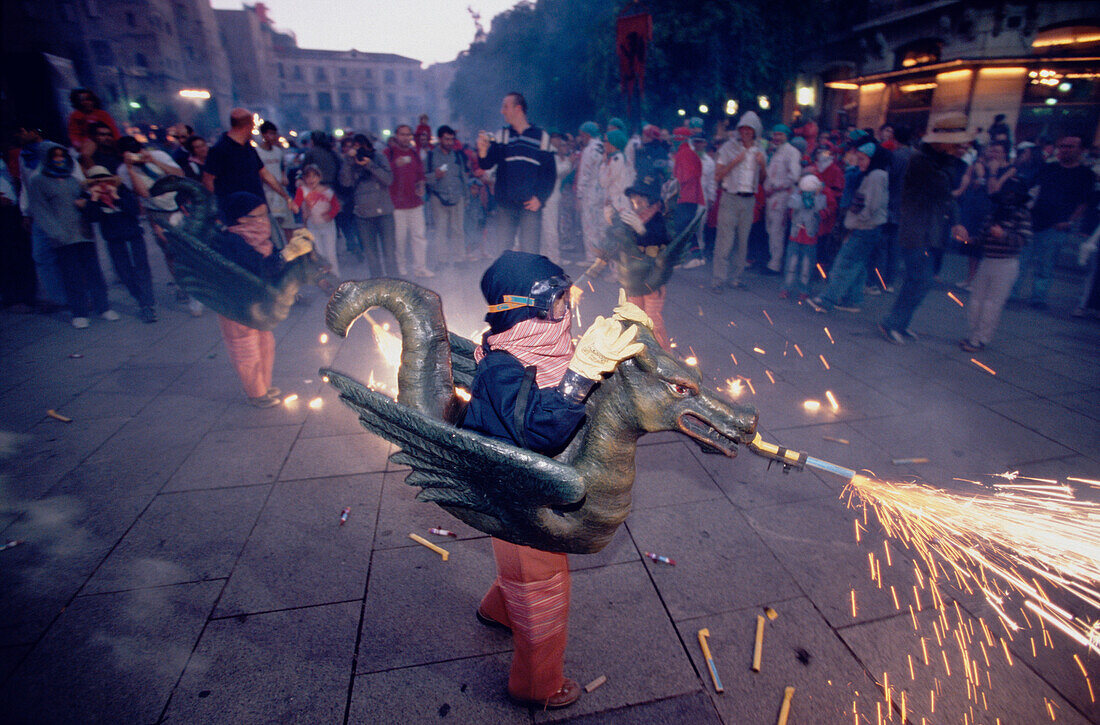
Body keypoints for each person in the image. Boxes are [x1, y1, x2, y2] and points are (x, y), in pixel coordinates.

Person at [464, 250, 643, 710]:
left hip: (533, 490)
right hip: (519, 500)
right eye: (559, 303)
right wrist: (579, 377)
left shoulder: (540, 342)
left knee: (523, 576)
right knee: (544, 589)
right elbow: (538, 432)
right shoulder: (503, 365)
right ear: (530, 308)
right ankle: (535, 685)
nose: (566, 312)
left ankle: (498, 610)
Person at [212, 192, 313, 407]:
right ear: (241, 219)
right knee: (245, 348)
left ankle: (263, 386)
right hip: (236, 306)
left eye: (265, 215)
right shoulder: (232, 241)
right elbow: (258, 267)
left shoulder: (260, 237)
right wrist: (286, 255)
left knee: (265, 343)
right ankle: (256, 393)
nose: (264, 220)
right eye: (258, 216)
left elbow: (277, 261)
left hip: (258, 304)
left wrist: (295, 248)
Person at [881, 113, 970, 344]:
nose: (961, 147)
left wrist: (957, 222)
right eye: (957, 142)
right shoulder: (921, 160)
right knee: (921, 279)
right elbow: (942, 188)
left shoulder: (940, 161)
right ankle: (892, 323)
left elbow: (948, 198)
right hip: (915, 230)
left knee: (919, 280)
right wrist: (956, 162)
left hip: (931, 231)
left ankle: (899, 323)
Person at [585, 177, 687, 350]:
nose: (635, 203)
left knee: (653, 321)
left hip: (653, 280)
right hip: (633, 279)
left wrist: (642, 230)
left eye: (640, 200)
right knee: (633, 318)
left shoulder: (658, 220)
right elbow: (617, 242)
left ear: (650, 201)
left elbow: (664, 238)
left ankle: (663, 356)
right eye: (633, 200)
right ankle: (639, 353)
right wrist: (613, 222)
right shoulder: (631, 217)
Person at [27, 146, 119, 328]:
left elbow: (89, 200)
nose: (59, 159)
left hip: (84, 233)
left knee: (94, 272)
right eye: (55, 157)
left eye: (62, 156)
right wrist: (56, 233)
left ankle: (104, 307)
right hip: (62, 237)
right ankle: (79, 312)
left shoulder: (74, 180)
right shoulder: (38, 182)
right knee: (72, 275)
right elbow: (40, 211)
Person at [1012, 133, 1096, 309]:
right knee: (1021, 260)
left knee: (1046, 264)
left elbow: (1084, 202)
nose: (1064, 150)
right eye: (1063, 146)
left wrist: (1069, 221)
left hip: (1057, 225)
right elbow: (1033, 188)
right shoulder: (1049, 168)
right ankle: (1012, 293)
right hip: (1033, 220)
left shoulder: (1085, 174)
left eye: (1070, 146)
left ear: (1080, 150)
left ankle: (1038, 298)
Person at [809, 141, 889, 313]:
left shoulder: (876, 176)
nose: (860, 162)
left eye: (863, 159)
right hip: (867, 227)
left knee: (844, 263)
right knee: (857, 264)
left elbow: (871, 206)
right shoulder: (873, 174)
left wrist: (856, 223)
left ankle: (827, 299)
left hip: (865, 227)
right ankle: (852, 299)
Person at [477, 92, 556, 255]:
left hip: (530, 205)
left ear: (518, 109)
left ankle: (528, 281)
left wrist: (540, 198)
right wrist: (482, 151)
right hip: (505, 205)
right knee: (503, 252)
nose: (502, 111)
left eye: (505, 107)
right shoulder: (502, 136)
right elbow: (487, 163)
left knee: (530, 253)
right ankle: (505, 281)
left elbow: (549, 174)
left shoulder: (541, 137)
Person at [960, 177, 1031, 352]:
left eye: (1013, 193)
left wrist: (1003, 235)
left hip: (1006, 264)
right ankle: (973, 334)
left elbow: (1024, 240)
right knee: (976, 301)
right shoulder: (993, 214)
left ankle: (980, 339)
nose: (1009, 197)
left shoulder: (1022, 215)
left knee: (992, 304)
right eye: (1007, 192)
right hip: (987, 261)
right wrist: (968, 240)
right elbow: (982, 238)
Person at [80, 166, 157, 322]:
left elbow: (134, 210)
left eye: (105, 179)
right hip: (114, 239)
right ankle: (141, 299)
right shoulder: (90, 197)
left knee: (142, 269)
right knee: (124, 272)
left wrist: (116, 197)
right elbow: (91, 218)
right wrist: (94, 199)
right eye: (97, 181)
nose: (102, 183)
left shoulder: (122, 190)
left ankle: (147, 304)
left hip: (133, 236)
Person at [204, 108, 297, 215]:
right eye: (253, 125)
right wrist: (218, 210)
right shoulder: (220, 149)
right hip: (237, 213)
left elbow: (265, 174)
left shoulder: (248, 146)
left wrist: (287, 197)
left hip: (258, 206)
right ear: (247, 126)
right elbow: (208, 181)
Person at [712, 111, 766, 291]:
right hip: (730, 197)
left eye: (750, 129)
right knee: (725, 240)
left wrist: (763, 165)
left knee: (742, 242)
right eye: (743, 128)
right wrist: (735, 161)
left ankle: (736, 277)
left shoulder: (760, 150)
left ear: (755, 131)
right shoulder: (728, 148)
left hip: (748, 199)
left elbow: (763, 180)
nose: (746, 132)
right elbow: (717, 176)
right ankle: (718, 279)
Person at [16, 125, 67, 310]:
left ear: (34, 131)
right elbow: (25, 185)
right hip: (38, 214)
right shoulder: (24, 156)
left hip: (59, 211)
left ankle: (80, 294)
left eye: (22, 131)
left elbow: (70, 176)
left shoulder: (54, 150)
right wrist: (25, 212)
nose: (18, 135)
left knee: (67, 255)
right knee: (42, 256)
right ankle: (60, 299)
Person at [340, 133, 397, 277]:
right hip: (363, 216)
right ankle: (378, 285)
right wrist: (349, 160)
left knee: (389, 254)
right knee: (372, 256)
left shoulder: (378, 158)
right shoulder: (351, 162)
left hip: (384, 213)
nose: (360, 151)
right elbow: (345, 183)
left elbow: (388, 179)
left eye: (362, 147)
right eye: (356, 148)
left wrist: (369, 164)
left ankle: (394, 285)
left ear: (369, 147)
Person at [385, 124, 431, 277]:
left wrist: (421, 186)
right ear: (396, 136)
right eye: (402, 134)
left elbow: (420, 175)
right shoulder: (388, 153)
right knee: (400, 239)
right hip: (396, 204)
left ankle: (420, 267)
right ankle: (401, 267)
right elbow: (382, 175)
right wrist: (394, 165)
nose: (405, 137)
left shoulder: (414, 153)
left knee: (419, 236)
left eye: (408, 134)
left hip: (415, 202)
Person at [426, 125, 469, 267]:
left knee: (458, 229)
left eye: (452, 139)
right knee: (441, 230)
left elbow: (463, 176)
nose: (450, 142)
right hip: (438, 198)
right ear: (440, 139)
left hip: (457, 196)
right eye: (447, 139)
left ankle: (459, 259)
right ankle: (442, 260)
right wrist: (435, 176)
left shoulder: (457, 155)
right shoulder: (431, 156)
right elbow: (423, 178)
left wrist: (466, 196)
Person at [763, 124, 803, 274]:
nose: (776, 138)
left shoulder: (792, 152)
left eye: (780, 135)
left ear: (787, 136)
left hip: (781, 196)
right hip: (770, 196)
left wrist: (777, 188)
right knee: (770, 229)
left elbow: (794, 176)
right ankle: (772, 260)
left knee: (777, 230)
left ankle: (775, 264)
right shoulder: (775, 152)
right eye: (775, 134)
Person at [780, 174, 827, 301]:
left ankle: (804, 289)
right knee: (791, 264)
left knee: (807, 266)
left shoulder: (820, 199)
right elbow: (793, 205)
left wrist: (816, 196)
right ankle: (786, 288)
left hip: (810, 237)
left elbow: (821, 209)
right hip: (795, 236)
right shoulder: (797, 197)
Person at [294, 164, 341, 277]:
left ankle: (336, 276)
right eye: (308, 177)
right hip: (313, 226)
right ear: (304, 179)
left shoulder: (328, 191)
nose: (311, 180)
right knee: (319, 254)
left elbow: (336, 206)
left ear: (319, 177)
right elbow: (296, 205)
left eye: (314, 176)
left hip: (328, 226)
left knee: (330, 254)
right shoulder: (303, 190)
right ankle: (326, 279)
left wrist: (330, 214)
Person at [257, 122, 295, 237]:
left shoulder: (278, 151)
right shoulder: (257, 153)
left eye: (275, 134)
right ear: (263, 135)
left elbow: (282, 167)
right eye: (270, 134)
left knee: (289, 225)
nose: (273, 137)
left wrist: (284, 176)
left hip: (282, 192)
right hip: (268, 193)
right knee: (273, 227)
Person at [575, 121, 605, 264]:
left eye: (582, 135)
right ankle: (602, 257)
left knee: (589, 225)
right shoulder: (603, 147)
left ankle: (592, 258)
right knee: (600, 226)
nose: (581, 138)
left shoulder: (589, 150)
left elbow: (584, 174)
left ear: (586, 135)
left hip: (590, 192)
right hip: (603, 192)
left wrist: (579, 195)